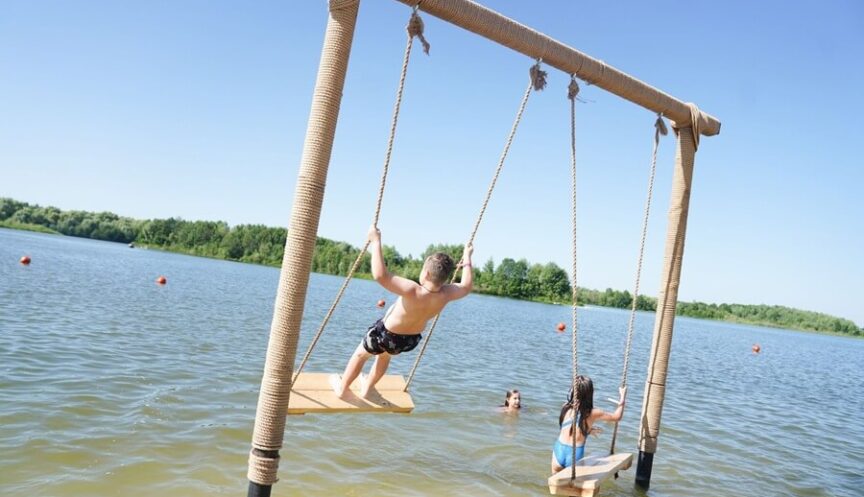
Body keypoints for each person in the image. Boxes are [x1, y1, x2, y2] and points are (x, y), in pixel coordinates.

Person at [332, 225, 473, 400]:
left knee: (360, 355)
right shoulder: (446, 294)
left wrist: (376, 241)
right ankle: (367, 388)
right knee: (384, 358)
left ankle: (343, 388)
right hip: (408, 341)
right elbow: (466, 286)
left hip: (385, 334)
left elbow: (381, 275)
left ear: (426, 273)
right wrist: (467, 257)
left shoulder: (414, 290)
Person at [550, 375, 627, 474]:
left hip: (558, 451)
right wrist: (622, 398)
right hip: (574, 454)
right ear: (590, 393)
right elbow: (617, 417)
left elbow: (570, 427)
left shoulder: (565, 407)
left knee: (554, 482)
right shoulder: (593, 413)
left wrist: (588, 430)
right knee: (573, 483)